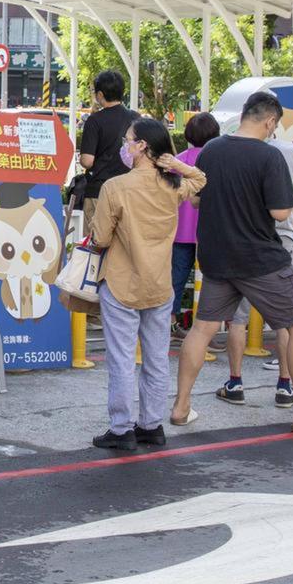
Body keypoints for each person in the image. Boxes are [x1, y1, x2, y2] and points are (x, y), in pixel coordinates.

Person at [167, 90, 293, 436]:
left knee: (203, 329)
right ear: (269, 121)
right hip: (262, 259)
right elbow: (280, 211)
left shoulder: (213, 151)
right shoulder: (269, 157)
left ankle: (181, 406)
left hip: (217, 257)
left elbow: (197, 201)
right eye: (273, 125)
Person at [89, 117, 205, 452]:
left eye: (128, 140)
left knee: (122, 359)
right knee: (156, 358)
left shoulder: (116, 187)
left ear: (141, 147)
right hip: (160, 285)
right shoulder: (172, 187)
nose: (124, 146)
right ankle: (151, 425)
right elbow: (200, 178)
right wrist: (175, 165)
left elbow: (100, 237)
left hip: (122, 282)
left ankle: (122, 428)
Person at [251, 118, 293, 412]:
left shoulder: (232, 150)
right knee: (289, 316)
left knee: (223, 320)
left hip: (243, 238)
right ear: (273, 122)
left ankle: (232, 381)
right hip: (283, 238)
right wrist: (281, 199)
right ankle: (285, 384)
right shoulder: (292, 152)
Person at [172, 113, 221, 329]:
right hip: (210, 232)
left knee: (176, 280)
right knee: (212, 282)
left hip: (180, 231)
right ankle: (208, 327)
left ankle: (170, 323)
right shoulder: (218, 158)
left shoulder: (179, 160)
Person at [76, 70, 134, 232]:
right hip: (129, 191)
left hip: (99, 191)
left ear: (100, 94)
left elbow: (88, 161)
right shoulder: (136, 118)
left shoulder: (95, 121)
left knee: (95, 243)